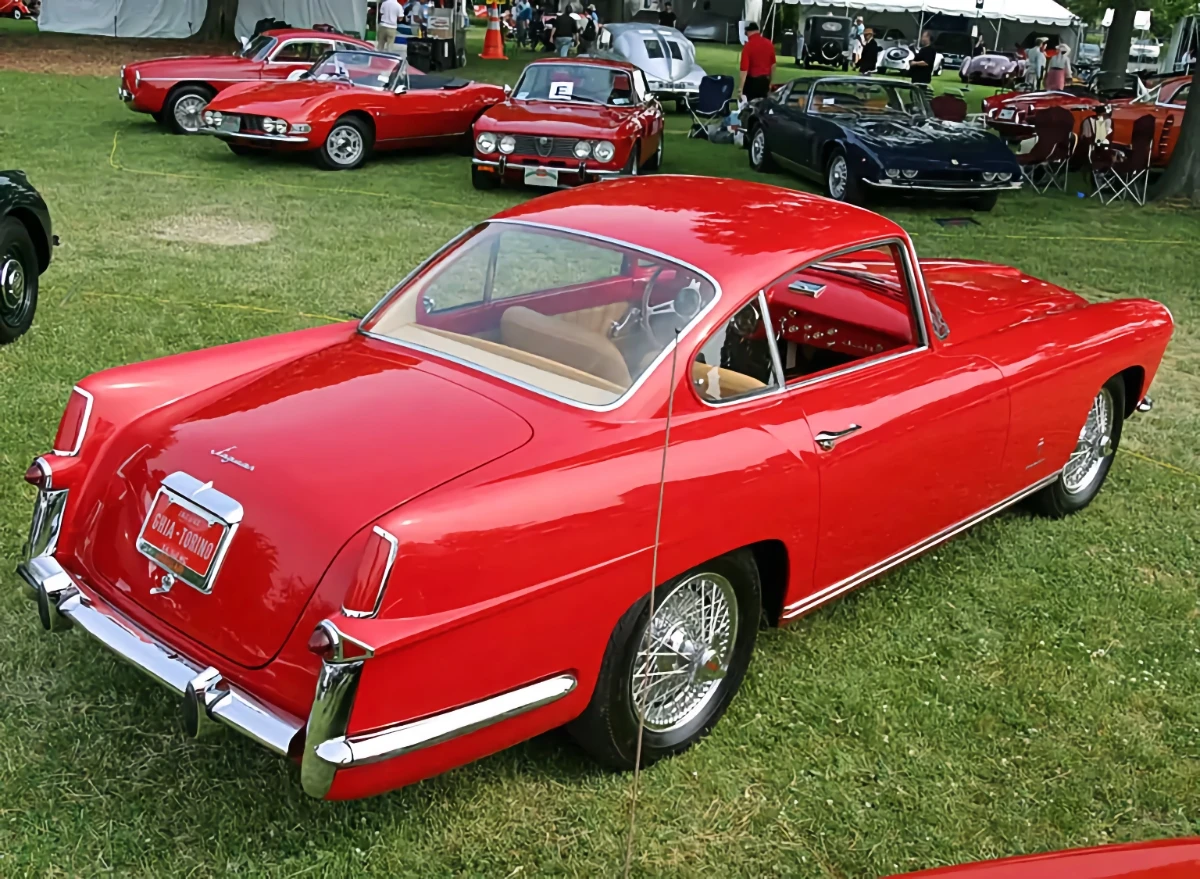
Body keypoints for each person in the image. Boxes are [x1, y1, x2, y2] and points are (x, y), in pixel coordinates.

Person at [738, 21, 776, 100]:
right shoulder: (769, 44)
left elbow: (744, 69)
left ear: (749, 32)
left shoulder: (748, 46)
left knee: (751, 106)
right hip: (765, 81)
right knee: (762, 106)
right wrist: (771, 82)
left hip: (752, 82)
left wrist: (740, 89)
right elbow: (773, 65)